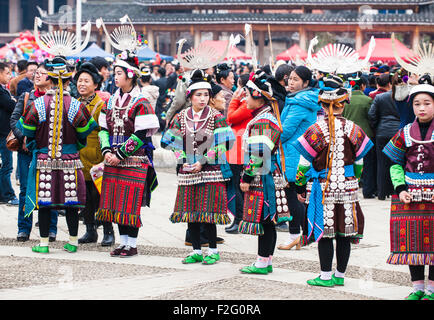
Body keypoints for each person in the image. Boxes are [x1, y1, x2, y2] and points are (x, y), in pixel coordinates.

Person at [294, 74, 373, 287]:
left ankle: (326, 276)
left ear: (322, 103)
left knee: (326, 233)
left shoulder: (315, 129)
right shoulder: (353, 128)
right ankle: (340, 275)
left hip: (322, 187)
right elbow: (359, 163)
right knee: (344, 232)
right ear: (343, 104)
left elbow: (303, 163)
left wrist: (300, 186)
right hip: (347, 187)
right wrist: (352, 178)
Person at [17, 55, 98, 254]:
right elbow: (83, 132)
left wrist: (39, 141)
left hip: (44, 161)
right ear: (69, 80)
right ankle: (72, 242)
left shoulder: (38, 105)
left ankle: (44, 244)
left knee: (45, 203)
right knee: (71, 203)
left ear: (51, 80)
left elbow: (26, 130)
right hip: (71, 161)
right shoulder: (76, 106)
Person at [161, 69, 235, 265]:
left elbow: (225, 142)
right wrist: (182, 159)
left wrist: (203, 161)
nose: (202, 99)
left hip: (210, 170)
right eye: (198, 95)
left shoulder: (216, 116)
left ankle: (212, 250)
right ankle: (195, 250)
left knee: (209, 212)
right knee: (191, 212)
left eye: (206, 95)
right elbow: (170, 140)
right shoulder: (181, 116)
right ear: (190, 96)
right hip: (188, 170)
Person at [95, 48, 160, 258]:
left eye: (119, 74)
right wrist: (106, 151)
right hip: (113, 160)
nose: (115, 77)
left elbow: (142, 133)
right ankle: (123, 243)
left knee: (130, 202)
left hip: (133, 160)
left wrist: (120, 154)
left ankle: (132, 243)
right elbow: (103, 128)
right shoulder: (110, 101)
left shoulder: (141, 102)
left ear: (131, 75)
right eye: (114, 74)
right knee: (116, 202)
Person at [382, 81, 434, 300]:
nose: (421, 108)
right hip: (409, 196)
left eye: (427, 103)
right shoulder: (404, 132)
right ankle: (417, 288)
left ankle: (431, 290)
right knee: (411, 241)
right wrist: (400, 188)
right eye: (417, 104)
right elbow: (395, 162)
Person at [238, 70, 288, 275]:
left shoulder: (262, 121)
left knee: (265, 220)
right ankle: (265, 260)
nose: (244, 98)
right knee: (268, 222)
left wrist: (247, 177)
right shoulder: (266, 117)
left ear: (258, 98)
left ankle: (262, 262)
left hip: (262, 175)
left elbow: (259, 154)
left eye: (248, 95)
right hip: (269, 173)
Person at [10, 62, 59, 242]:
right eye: (36, 73)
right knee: (24, 189)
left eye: (42, 73)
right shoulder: (26, 97)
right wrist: (24, 137)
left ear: (51, 78)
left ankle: (51, 229)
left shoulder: (58, 98)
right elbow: (15, 119)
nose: (37, 76)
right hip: (26, 152)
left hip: (49, 151)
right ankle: (24, 228)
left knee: (50, 189)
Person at [277, 66, 321, 250]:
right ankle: (302, 235)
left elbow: (285, 132)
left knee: (293, 197)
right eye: (290, 79)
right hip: (295, 153)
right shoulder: (298, 100)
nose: (291, 83)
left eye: (296, 80)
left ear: (305, 83)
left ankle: (299, 235)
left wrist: (269, 135)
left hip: (294, 155)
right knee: (294, 196)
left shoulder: (299, 103)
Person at [74, 62, 115, 246]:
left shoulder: (101, 105)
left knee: (101, 195)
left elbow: (105, 130)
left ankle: (108, 231)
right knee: (86, 197)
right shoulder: (74, 103)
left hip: (97, 155)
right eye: (79, 80)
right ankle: (90, 230)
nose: (82, 84)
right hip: (80, 156)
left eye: (86, 81)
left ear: (95, 85)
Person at [224, 74, 253, 234]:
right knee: (238, 186)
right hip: (238, 149)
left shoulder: (247, 104)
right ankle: (240, 219)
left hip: (240, 151)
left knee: (238, 186)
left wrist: (235, 99)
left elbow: (231, 117)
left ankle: (240, 219)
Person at [368, 74, 403, 200]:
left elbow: (372, 115)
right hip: (398, 133)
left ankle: (382, 193)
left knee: (381, 163)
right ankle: (396, 191)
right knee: (397, 162)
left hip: (382, 133)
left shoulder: (380, 97)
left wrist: (376, 128)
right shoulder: (401, 97)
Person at [342, 73, 376, 199]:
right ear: (362, 86)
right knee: (367, 164)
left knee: (349, 162)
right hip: (365, 136)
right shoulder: (367, 100)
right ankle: (367, 190)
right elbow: (372, 117)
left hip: (347, 136)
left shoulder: (345, 101)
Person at [0, 62, 19, 206]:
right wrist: (14, 101)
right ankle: (8, 195)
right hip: (3, 133)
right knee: (7, 166)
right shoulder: (1, 91)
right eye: (7, 73)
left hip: (4, 131)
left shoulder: (3, 89)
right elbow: (12, 105)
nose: (10, 76)